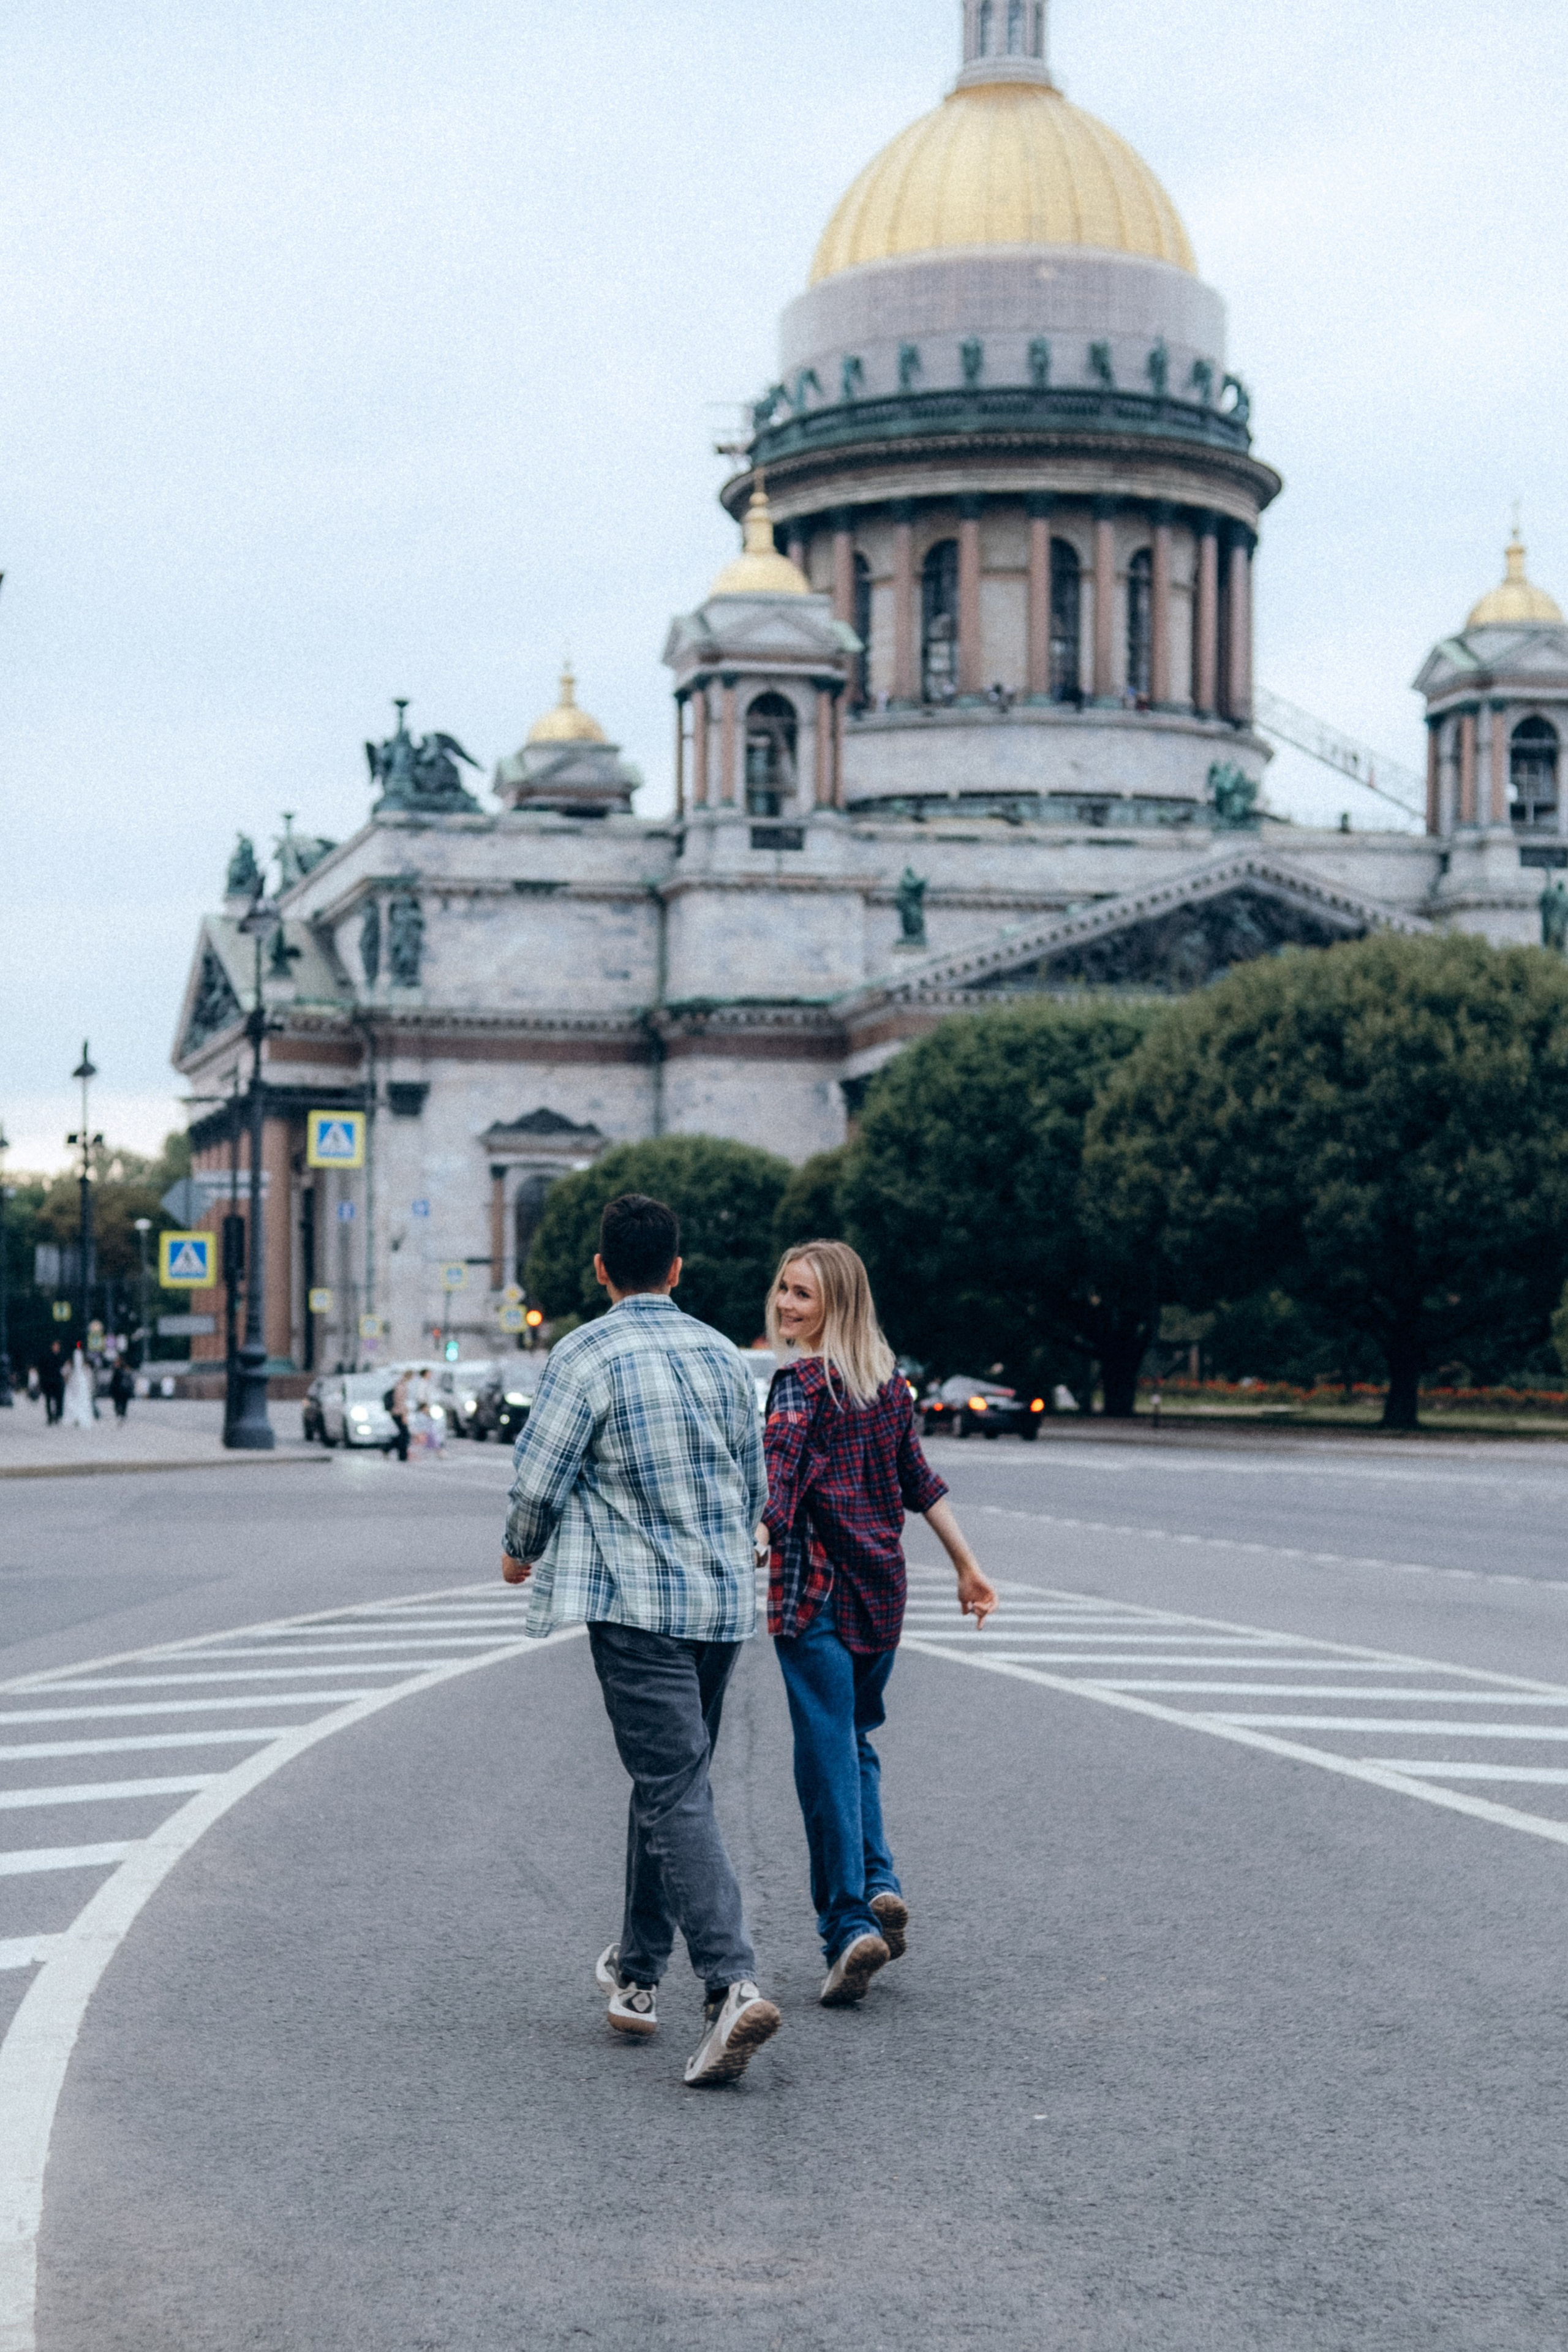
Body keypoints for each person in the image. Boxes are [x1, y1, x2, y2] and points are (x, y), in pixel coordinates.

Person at [501, 1192, 781, 2088]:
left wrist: (519, 1553)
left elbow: (539, 1478)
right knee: (672, 1781)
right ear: (676, 1269)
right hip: (721, 1605)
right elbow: (752, 1484)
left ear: (598, 1271)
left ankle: (732, 1982)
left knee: (670, 1785)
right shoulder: (723, 1354)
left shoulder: (583, 1353)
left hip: (635, 1606)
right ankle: (637, 1972)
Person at [760, 1240, 996, 2008]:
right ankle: (881, 1880)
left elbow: (783, 1475)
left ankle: (848, 1925)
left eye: (803, 1295)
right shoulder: (888, 1388)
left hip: (814, 1596)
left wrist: (761, 1535)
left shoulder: (797, 1387)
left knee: (824, 1754)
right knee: (854, 1739)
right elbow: (918, 1484)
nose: (788, 1305)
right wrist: (966, 1566)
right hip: (882, 1596)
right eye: (785, 1290)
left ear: (837, 1305)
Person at [62, 1348, 96, 1428]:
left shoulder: (74, 1366)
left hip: (75, 1385)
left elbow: (64, 1374)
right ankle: (77, 1417)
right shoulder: (83, 1367)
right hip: (77, 1385)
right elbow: (89, 1377)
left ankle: (75, 1417)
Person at [385, 1369, 411, 1462]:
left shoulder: (401, 1385)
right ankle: (401, 1454)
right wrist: (404, 1415)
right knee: (405, 1435)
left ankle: (389, 1449)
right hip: (398, 1413)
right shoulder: (401, 1386)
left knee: (403, 1434)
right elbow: (399, 1402)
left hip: (398, 1412)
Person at [39, 1344, 65, 1425]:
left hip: (57, 1382)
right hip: (49, 1381)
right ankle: (50, 1417)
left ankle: (57, 1416)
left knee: (58, 1400)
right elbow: (43, 1369)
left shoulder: (61, 1357)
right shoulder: (48, 1357)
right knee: (49, 1400)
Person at [108, 1355, 135, 1422]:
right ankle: (121, 1414)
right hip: (121, 1390)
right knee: (120, 1402)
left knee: (121, 1403)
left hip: (121, 1389)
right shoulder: (124, 1369)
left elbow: (114, 1380)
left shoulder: (121, 1370)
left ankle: (121, 1414)